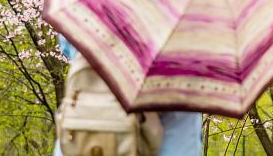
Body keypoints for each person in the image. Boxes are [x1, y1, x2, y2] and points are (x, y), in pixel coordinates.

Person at [53, 36, 203, 156]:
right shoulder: (196, 8)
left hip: (90, 129)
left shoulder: (90, 2)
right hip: (172, 135)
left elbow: (68, 42)